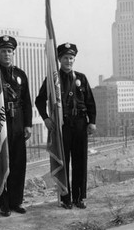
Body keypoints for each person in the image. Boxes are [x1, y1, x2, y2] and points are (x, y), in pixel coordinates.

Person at [35, 43, 96, 209]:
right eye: (65, 58)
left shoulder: (81, 78)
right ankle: (65, 198)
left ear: (74, 59)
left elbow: (90, 102)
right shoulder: (53, 79)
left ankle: (79, 197)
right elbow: (39, 100)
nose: (68, 61)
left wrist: (92, 122)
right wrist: (46, 119)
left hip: (80, 124)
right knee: (64, 162)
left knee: (80, 162)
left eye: (71, 58)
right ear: (59, 60)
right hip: (63, 126)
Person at [0, 35, 33, 216]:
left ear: (13, 53)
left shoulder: (20, 75)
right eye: (3, 51)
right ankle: (3, 203)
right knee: (2, 162)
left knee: (18, 163)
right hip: (0, 122)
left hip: (17, 120)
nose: (6, 54)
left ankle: (16, 202)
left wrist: (28, 125)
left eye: (9, 51)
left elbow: (26, 101)